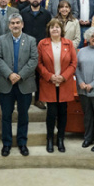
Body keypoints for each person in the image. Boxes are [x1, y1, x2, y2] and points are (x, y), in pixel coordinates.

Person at [0, 14, 39, 157]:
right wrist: (9, 74)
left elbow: (33, 60)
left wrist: (20, 75)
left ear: (22, 24)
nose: (15, 25)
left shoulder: (31, 40)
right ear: (9, 25)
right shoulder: (1, 40)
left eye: (17, 23)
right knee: (6, 115)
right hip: (6, 83)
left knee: (23, 115)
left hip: (24, 83)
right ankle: (6, 143)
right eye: (12, 23)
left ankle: (22, 143)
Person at [37, 18, 78, 153]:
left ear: (62, 30)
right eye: (52, 27)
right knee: (51, 113)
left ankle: (60, 139)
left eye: (57, 27)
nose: (55, 29)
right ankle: (50, 139)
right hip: (49, 83)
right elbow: (38, 63)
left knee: (63, 112)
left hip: (64, 83)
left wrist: (63, 77)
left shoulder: (69, 44)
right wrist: (50, 76)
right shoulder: (42, 44)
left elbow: (73, 63)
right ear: (48, 30)